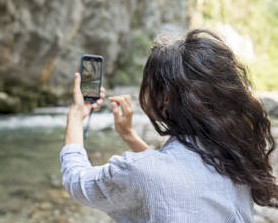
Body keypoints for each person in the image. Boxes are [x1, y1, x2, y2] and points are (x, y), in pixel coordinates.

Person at [59, 29, 278, 222]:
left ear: (164, 97)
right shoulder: (235, 153)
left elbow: (77, 181)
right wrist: (129, 135)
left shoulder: (140, 170)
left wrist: (76, 115)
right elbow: (180, 175)